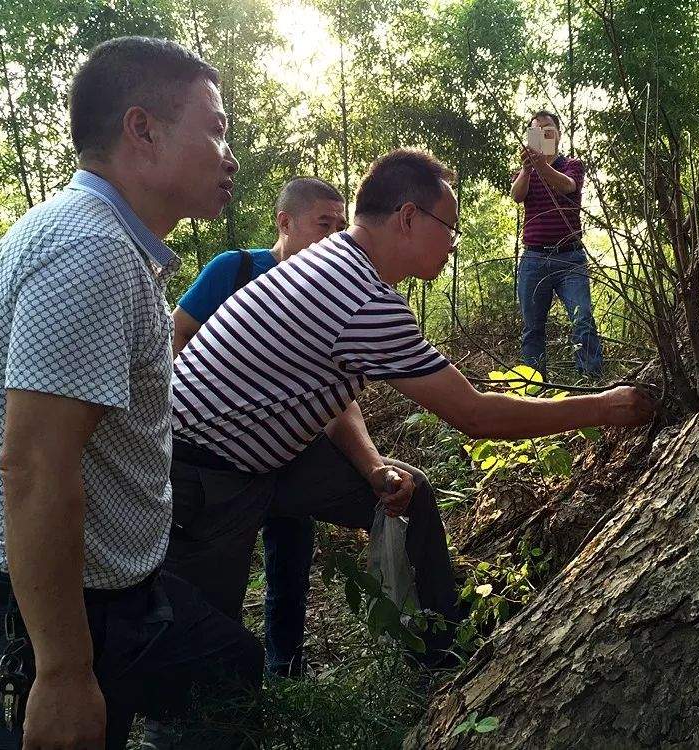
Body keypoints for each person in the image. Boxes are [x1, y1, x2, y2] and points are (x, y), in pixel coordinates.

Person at [166, 148, 655, 671]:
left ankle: (438, 653)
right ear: (407, 218)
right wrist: (604, 407)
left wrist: (373, 466)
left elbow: (328, 394)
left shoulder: (333, 264)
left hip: (265, 456)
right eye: (449, 228)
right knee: (200, 663)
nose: (452, 244)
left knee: (409, 490)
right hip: (201, 471)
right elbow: (476, 415)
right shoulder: (360, 295)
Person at [0, 37, 263, 750]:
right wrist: (62, 673)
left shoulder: (96, 242)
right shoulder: (89, 250)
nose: (229, 153)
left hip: (110, 596)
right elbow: (33, 465)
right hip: (53, 618)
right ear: (142, 130)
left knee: (228, 664)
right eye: (214, 127)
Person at [168, 177, 351, 678]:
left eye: (341, 226)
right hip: (215, 459)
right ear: (284, 222)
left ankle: (285, 663)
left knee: (291, 558)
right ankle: (211, 687)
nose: (334, 237)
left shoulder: (333, 293)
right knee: (215, 572)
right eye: (323, 224)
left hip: (289, 450)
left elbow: (337, 394)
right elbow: (178, 335)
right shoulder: (237, 269)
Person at [511, 110, 603, 380]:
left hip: (570, 259)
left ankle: (591, 381)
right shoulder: (525, 172)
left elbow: (567, 186)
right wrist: (528, 170)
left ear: (558, 134)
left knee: (582, 319)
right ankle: (532, 386)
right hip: (533, 259)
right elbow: (516, 196)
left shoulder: (572, 164)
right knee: (532, 327)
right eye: (535, 130)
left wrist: (540, 166)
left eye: (548, 129)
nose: (542, 134)